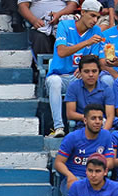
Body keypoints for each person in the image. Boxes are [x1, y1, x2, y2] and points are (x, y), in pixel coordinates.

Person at [41, 2, 105, 138]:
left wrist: (84, 69)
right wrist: (86, 43)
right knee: (54, 82)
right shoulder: (65, 25)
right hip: (61, 76)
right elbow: (62, 51)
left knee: (102, 79)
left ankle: (99, 123)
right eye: (92, 15)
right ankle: (58, 127)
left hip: (80, 77)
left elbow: (92, 59)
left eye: (97, 17)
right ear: (83, 12)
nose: (95, 21)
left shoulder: (96, 31)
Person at [64, 55, 114, 132]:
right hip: (82, 126)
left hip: (102, 125)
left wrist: (103, 133)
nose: (91, 75)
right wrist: (89, 118)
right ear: (80, 72)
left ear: (99, 72)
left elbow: (110, 116)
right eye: (86, 71)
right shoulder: (73, 87)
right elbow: (70, 114)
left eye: (94, 71)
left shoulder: (106, 89)